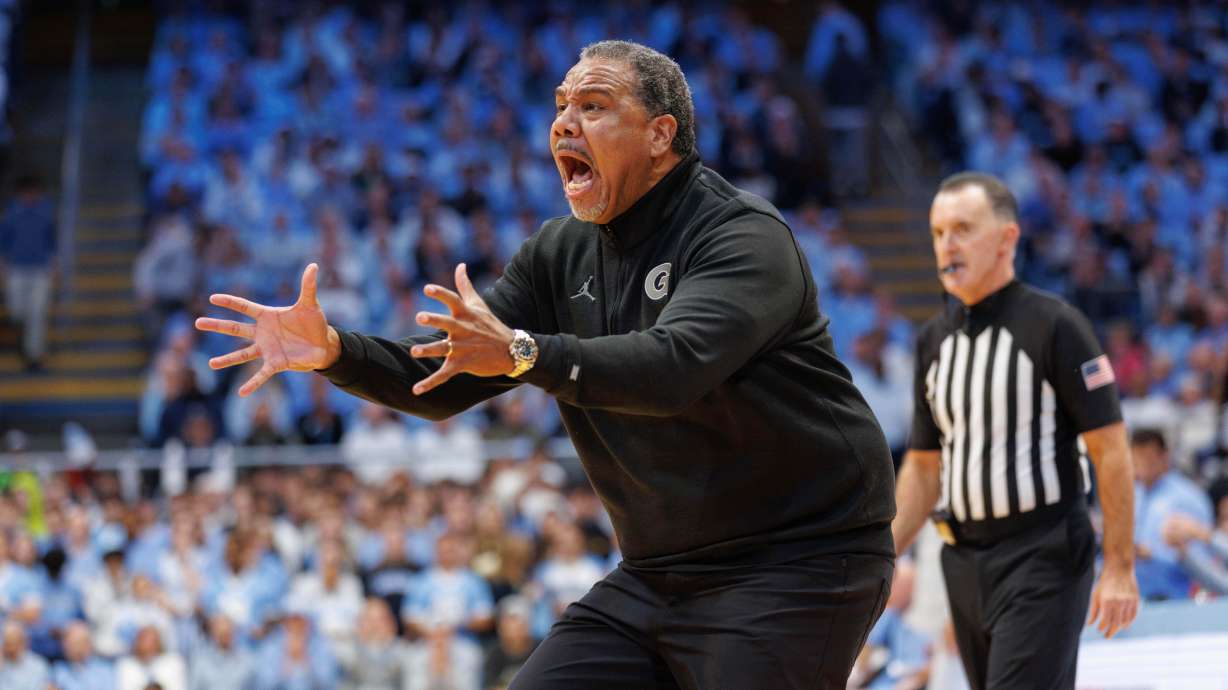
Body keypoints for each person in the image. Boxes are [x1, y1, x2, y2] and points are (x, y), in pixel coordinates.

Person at [197, 39, 895, 689]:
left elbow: (673, 368)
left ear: (660, 135)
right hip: (658, 571)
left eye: (593, 106)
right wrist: (336, 352)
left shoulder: (741, 236)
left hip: (800, 559)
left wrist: (525, 353)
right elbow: (444, 378)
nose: (564, 123)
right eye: (561, 104)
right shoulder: (557, 253)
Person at [891, 172, 1139, 690]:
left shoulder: (1056, 325)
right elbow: (922, 466)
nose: (946, 245)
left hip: (1042, 551)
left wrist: (1119, 566)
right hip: (960, 559)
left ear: (1007, 238)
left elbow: (1111, 449)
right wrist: (881, 552)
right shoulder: (933, 341)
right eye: (937, 233)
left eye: (962, 229)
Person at [1131, 428, 1214, 599]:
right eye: (1135, 460)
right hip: (1134, 594)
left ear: (1164, 457)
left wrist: (1153, 554)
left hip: (1176, 597)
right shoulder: (1132, 495)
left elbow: (1204, 557)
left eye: (1148, 459)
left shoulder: (1189, 497)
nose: (1142, 466)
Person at [0, 173, 57, 370]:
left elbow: (53, 240)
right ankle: (24, 340)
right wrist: (2, 265)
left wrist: (53, 263)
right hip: (16, 267)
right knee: (17, 311)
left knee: (37, 313)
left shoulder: (47, 210)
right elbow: (3, 241)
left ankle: (34, 354)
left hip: (40, 268)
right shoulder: (11, 212)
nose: (31, 196)